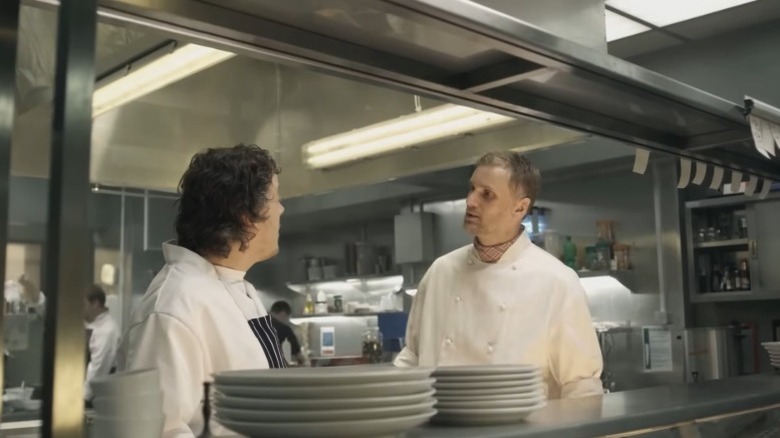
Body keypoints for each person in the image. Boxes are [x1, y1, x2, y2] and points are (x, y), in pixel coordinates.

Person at [394, 151, 603, 399]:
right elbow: (412, 358)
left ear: (520, 207)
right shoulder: (441, 271)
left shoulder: (556, 280)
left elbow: (581, 386)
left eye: (487, 195)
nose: (471, 201)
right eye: (472, 189)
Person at [124, 144, 286, 437]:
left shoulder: (236, 288)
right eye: (277, 199)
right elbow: (156, 431)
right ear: (247, 216)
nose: (282, 210)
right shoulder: (173, 307)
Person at [83, 285, 120, 403]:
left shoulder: (107, 330)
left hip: (99, 396)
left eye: (82, 305)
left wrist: (82, 398)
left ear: (95, 303)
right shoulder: (91, 324)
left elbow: (97, 368)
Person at [269, 300, 309, 366]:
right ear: (284, 313)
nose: (287, 320)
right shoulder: (285, 329)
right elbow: (298, 356)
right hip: (279, 370)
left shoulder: (260, 325)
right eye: (287, 317)